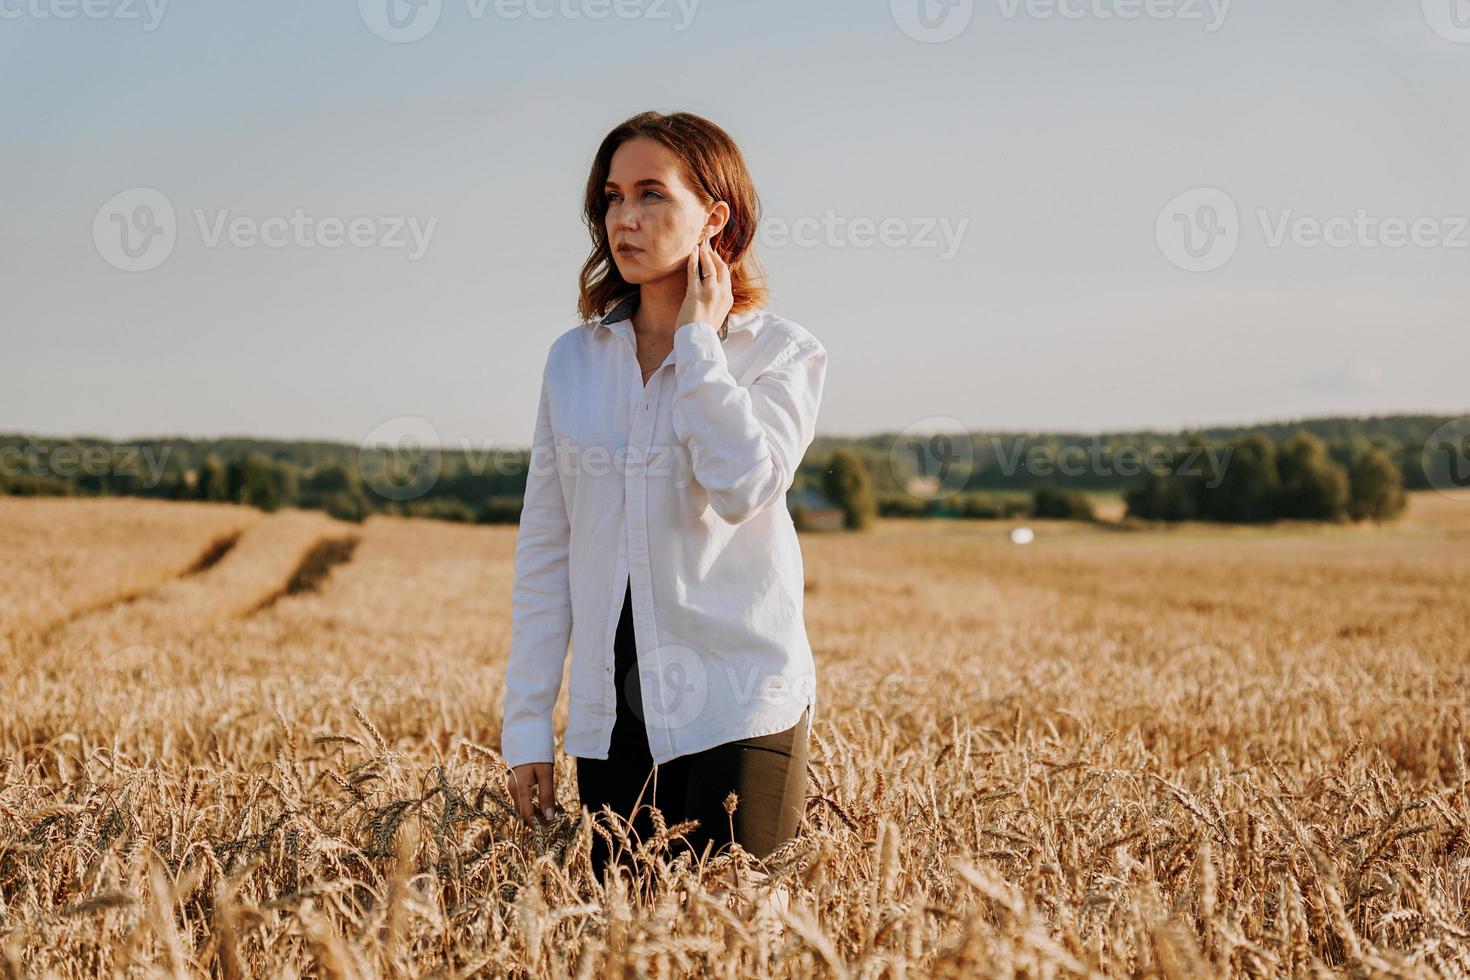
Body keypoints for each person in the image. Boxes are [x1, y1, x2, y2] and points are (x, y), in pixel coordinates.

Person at [500, 110, 828, 893]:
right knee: (629, 944)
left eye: (652, 195)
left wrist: (699, 349)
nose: (624, 218)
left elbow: (745, 484)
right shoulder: (573, 361)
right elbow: (546, 546)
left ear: (715, 217)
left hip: (741, 696)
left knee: (733, 937)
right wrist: (525, 726)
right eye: (612, 198)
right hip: (613, 717)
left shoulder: (783, 352)